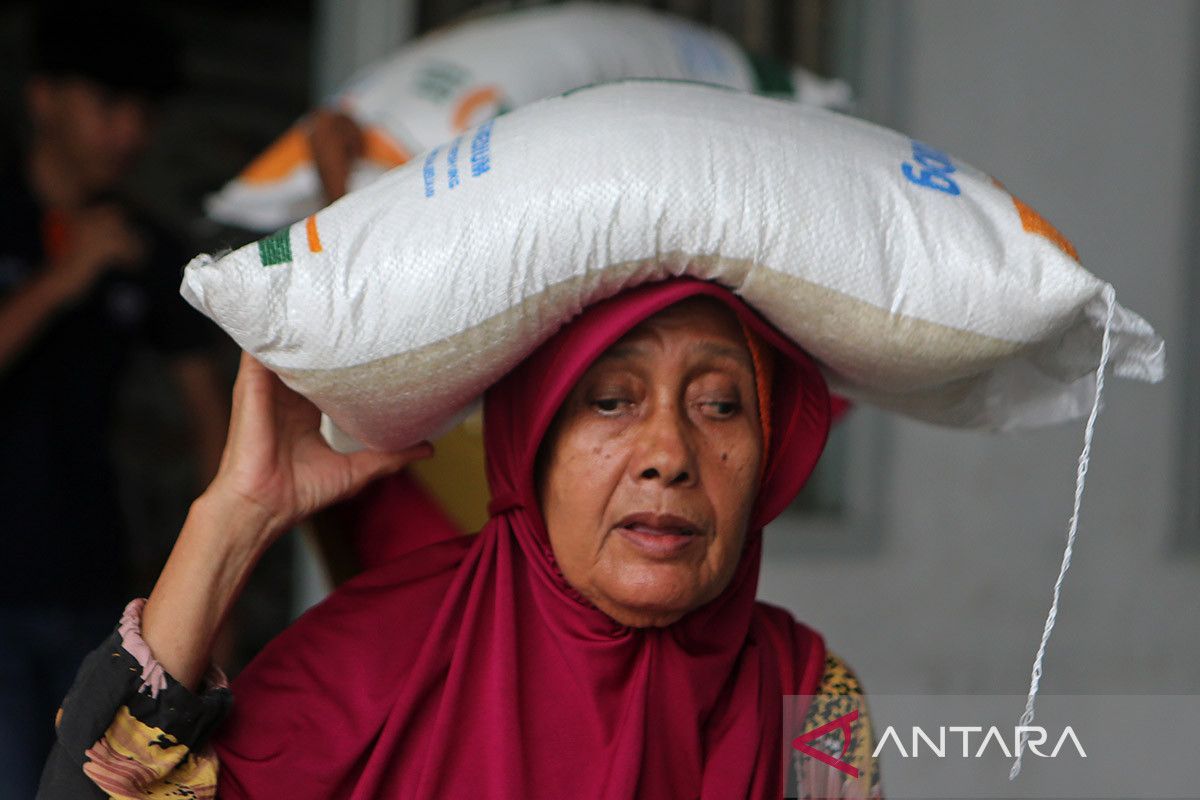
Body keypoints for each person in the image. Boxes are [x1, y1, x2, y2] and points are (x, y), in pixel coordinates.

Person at [38, 279, 883, 798]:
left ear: (771, 452)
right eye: (612, 400)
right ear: (531, 444)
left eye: (721, 405)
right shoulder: (383, 655)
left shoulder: (811, 695)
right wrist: (235, 516)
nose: (669, 456)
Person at [0, 5, 228, 795]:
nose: (129, 133)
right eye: (108, 105)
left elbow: (215, 425)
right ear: (44, 99)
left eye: (144, 113)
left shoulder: (145, 245)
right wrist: (63, 281)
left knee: (88, 788)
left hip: (90, 585)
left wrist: (218, 574)